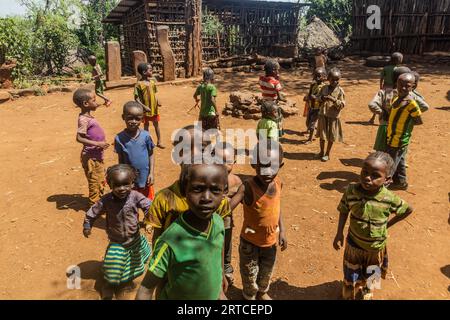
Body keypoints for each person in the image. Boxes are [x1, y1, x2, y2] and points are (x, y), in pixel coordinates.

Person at [135, 164, 229, 300]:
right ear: (184, 190)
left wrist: (220, 281)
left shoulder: (218, 222)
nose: (206, 198)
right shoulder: (170, 240)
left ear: (224, 191)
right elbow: (145, 289)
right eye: (198, 189)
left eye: (215, 190)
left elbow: (218, 248)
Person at [333, 152, 413, 300]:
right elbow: (343, 210)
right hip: (353, 245)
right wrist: (339, 233)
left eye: (375, 175)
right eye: (364, 172)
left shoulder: (389, 198)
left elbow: (407, 209)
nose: (367, 178)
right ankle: (348, 293)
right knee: (351, 273)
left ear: (387, 180)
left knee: (372, 272)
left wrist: (387, 224)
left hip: (376, 248)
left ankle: (368, 292)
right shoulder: (351, 191)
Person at [145, 125, 231, 245]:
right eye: (185, 149)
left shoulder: (219, 200)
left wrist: (224, 264)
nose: (194, 154)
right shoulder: (164, 199)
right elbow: (157, 239)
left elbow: (222, 238)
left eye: (201, 149)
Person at [83, 164, 152, 299]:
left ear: (132, 183)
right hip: (117, 241)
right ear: (109, 184)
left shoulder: (135, 196)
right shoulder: (106, 201)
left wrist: (149, 217)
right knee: (112, 266)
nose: (122, 189)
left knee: (134, 263)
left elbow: (148, 205)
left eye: (126, 184)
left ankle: (125, 282)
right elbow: (93, 211)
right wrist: (87, 224)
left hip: (134, 238)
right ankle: (108, 285)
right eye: (117, 185)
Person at [230, 140, 288, 300]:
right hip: (250, 242)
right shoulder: (248, 187)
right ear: (254, 164)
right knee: (249, 273)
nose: (268, 171)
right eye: (263, 166)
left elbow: (277, 206)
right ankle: (249, 296)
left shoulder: (277, 184)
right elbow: (227, 208)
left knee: (266, 271)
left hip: (270, 242)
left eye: (273, 166)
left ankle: (262, 292)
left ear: (281, 166)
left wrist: (282, 230)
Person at [386, 73, 423, 190]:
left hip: (400, 139)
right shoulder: (397, 98)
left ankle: (383, 186)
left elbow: (418, 121)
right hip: (392, 136)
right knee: (400, 160)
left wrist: (405, 126)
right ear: (396, 84)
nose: (402, 88)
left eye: (407, 86)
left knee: (390, 164)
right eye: (400, 85)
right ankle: (401, 182)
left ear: (413, 86)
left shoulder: (411, 104)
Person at [74, 88, 109, 207]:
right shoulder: (83, 120)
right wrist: (98, 144)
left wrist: (103, 103)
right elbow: (79, 138)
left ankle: (99, 201)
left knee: (100, 178)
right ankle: (93, 207)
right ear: (85, 104)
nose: (96, 102)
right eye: (94, 100)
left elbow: (94, 106)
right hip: (91, 158)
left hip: (96, 156)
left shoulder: (87, 114)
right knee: (95, 181)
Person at [214, 142, 243, 285]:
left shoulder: (237, 181)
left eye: (228, 161)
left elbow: (245, 200)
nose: (224, 165)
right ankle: (212, 270)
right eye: (219, 161)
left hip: (226, 222)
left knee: (226, 244)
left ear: (235, 161)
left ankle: (226, 268)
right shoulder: (210, 178)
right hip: (210, 221)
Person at [115, 102, 155, 200]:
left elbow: (151, 154)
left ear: (142, 119)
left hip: (145, 178)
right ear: (123, 117)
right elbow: (121, 160)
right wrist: (123, 178)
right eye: (130, 118)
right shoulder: (119, 138)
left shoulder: (146, 136)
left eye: (137, 119)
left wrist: (151, 173)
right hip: (130, 181)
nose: (133, 121)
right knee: (131, 204)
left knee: (148, 204)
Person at [369, 66, 412, 152]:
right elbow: (424, 106)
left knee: (381, 153)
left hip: (385, 127)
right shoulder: (410, 97)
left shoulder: (384, 92)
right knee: (398, 153)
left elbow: (372, 105)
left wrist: (382, 112)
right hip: (400, 130)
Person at [317, 68, 345, 162]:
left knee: (331, 136)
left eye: (337, 79)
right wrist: (322, 98)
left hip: (333, 117)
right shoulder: (324, 88)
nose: (335, 82)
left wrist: (334, 100)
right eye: (333, 79)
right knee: (322, 135)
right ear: (328, 79)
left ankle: (327, 153)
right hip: (323, 114)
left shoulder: (340, 91)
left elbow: (342, 105)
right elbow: (318, 98)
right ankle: (321, 151)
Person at [134, 63, 165, 149]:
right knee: (146, 126)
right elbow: (136, 99)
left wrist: (158, 100)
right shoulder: (138, 84)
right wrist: (144, 107)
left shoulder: (152, 82)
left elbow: (155, 94)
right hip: (145, 110)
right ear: (144, 72)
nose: (152, 71)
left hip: (154, 108)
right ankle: (147, 142)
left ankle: (159, 142)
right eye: (150, 70)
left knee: (156, 125)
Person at [369, 52, 404, 124]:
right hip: (393, 88)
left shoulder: (386, 68)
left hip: (385, 87)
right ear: (399, 60)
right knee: (390, 103)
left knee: (379, 102)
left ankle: (372, 118)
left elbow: (381, 78)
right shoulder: (398, 69)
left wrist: (381, 86)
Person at [259, 59, 286, 138]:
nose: (278, 72)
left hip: (264, 103)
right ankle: (275, 133)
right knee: (276, 119)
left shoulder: (261, 79)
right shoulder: (275, 82)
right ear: (273, 71)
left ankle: (264, 133)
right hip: (273, 104)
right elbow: (279, 95)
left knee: (265, 118)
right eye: (277, 70)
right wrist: (277, 79)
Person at [304, 67, 327, 144]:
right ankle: (314, 131)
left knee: (312, 124)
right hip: (311, 107)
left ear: (324, 77)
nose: (317, 78)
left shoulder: (324, 87)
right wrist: (308, 97)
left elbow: (324, 98)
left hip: (318, 109)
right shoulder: (313, 84)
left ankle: (310, 139)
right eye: (315, 76)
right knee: (307, 123)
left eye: (319, 76)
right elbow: (310, 93)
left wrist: (316, 98)